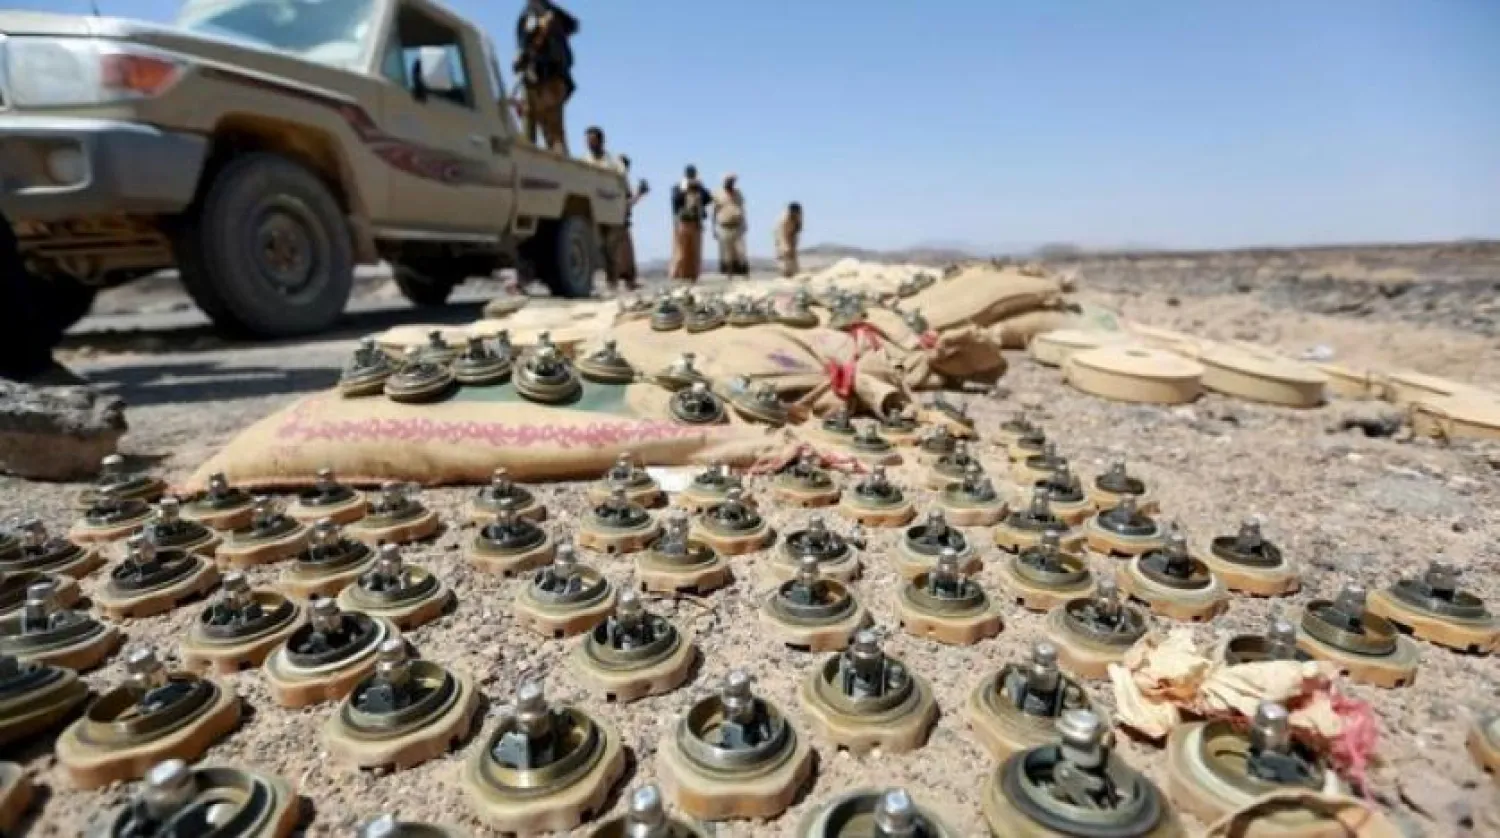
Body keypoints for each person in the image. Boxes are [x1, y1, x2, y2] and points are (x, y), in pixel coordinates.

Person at [581, 126, 648, 292]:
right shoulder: (584, 162)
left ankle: (612, 282)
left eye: (592, 140)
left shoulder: (614, 163)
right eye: (588, 141)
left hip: (612, 211)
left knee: (611, 249)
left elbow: (624, 188)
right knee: (594, 247)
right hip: (593, 212)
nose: (589, 144)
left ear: (601, 141)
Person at [513, 0, 578, 153]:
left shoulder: (536, 10)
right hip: (544, 77)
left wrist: (543, 28)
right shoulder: (541, 10)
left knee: (549, 135)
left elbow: (572, 25)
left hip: (546, 79)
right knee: (546, 133)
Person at [669, 166, 712, 282]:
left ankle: (693, 276)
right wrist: (684, 189)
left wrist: (700, 187)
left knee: (695, 251)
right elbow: (675, 201)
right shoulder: (678, 187)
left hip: (696, 222)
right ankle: (676, 275)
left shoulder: (699, 189)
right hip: (683, 222)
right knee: (680, 252)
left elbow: (708, 198)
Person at [712, 174, 749, 279]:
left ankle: (744, 273)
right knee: (727, 252)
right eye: (729, 181)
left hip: (737, 225)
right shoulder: (718, 194)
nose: (731, 182)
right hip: (724, 226)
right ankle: (729, 274)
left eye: (732, 181)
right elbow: (714, 212)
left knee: (741, 251)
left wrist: (745, 223)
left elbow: (742, 208)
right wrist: (713, 228)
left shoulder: (738, 193)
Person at [776, 202, 803, 278]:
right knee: (784, 254)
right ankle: (785, 273)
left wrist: (793, 247)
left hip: (791, 236)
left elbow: (797, 231)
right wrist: (786, 247)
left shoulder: (798, 217)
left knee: (792, 256)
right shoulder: (784, 220)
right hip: (781, 235)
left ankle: (794, 273)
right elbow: (781, 235)